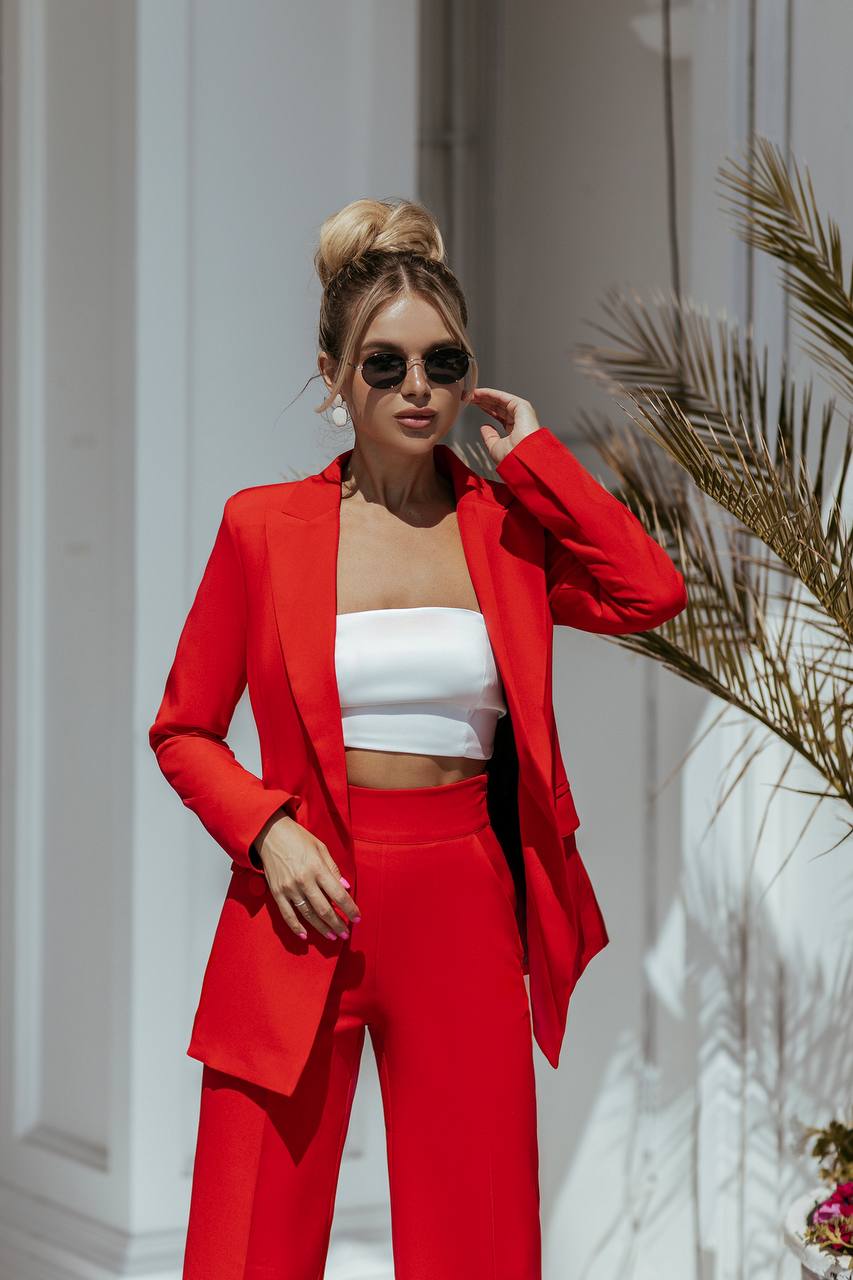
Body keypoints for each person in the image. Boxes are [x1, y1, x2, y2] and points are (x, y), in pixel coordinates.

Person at [148, 197, 688, 1280]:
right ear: (333, 377)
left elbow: (649, 591)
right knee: (249, 1246)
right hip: (300, 904)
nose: (417, 388)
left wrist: (537, 460)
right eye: (384, 364)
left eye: (443, 362)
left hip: (461, 902)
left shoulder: (505, 529)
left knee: (476, 1242)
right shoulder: (262, 527)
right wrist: (268, 832)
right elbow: (185, 730)